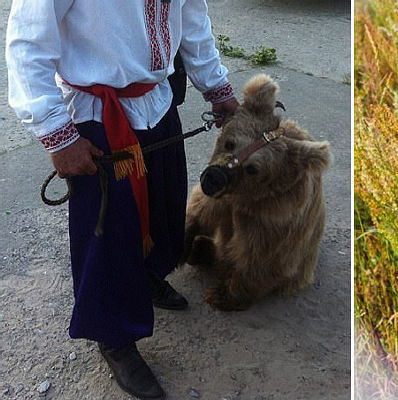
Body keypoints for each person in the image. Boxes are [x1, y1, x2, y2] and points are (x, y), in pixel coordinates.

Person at [6, 1, 239, 398]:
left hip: (158, 103)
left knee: (164, 209)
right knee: (109, 232)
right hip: (99, 118)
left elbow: (193, 19)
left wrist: (217, 88)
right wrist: (57, 134)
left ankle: (145, 279)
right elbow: (27, 43)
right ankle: (114, 337)